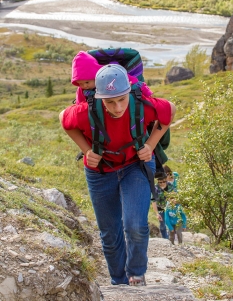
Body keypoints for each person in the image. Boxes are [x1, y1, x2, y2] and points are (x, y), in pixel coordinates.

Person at [59, 64, 176, 286]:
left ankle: (136, 275)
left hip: (136, 166)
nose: (118, 107)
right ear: (100, 97)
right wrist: (87, 150)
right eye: (110, 101)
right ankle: (119, 283)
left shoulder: (142, 104)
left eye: (122, 99)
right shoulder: (87, 111)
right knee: (110, 233)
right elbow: (64, 120)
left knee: (135, 225)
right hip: (100, 171)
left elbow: (170, 110)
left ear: (129, 91)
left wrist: (150, 145)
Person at [71, 51, 153, 104]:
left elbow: (137, 83)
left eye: (87, 82)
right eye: (80, 84)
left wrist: (147, 92)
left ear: (95, 76)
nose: (84, 86)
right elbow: (79, 103)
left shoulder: (109, 77)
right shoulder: (81, 90)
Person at [151, 172, 176, 239]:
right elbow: (153, 201)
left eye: (163, 182)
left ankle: (172, 238)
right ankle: (166, 239)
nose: (162, 184)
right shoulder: (155, 188)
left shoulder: (170, 186)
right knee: (162, 226)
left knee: (170, 223)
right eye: (160, 182)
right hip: (160, 209)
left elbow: (174, 197)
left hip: (170, 208)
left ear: (166, 180)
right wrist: (157, 213)